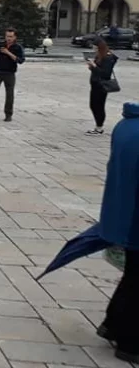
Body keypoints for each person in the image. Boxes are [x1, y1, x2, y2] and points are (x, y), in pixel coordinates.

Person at [95, 102, 139, 363]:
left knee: (134, 276)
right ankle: (130, 343)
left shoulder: (126, 125)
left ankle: (111, 324)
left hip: (122, 216)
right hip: (134, 220)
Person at [0, 28, 24, 122]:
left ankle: (8, 114)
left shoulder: (18, 47)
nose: (9, 38)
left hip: (10, 74)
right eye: (7, 36)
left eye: (11, 36)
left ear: (15, 37)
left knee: (9, 95)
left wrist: (8, 53)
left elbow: (20, 60)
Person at [87, 39, 118, 135]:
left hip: (102, 85)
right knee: (93, 105)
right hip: (95, 84)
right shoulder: (100, 56)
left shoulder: (108, 57)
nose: (93, 49)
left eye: (95, 47)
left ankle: (99, 127)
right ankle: (98, 125)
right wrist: (91, 67)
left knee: (99, 106)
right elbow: (97, 70)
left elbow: (105, 73)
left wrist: (94, 66)